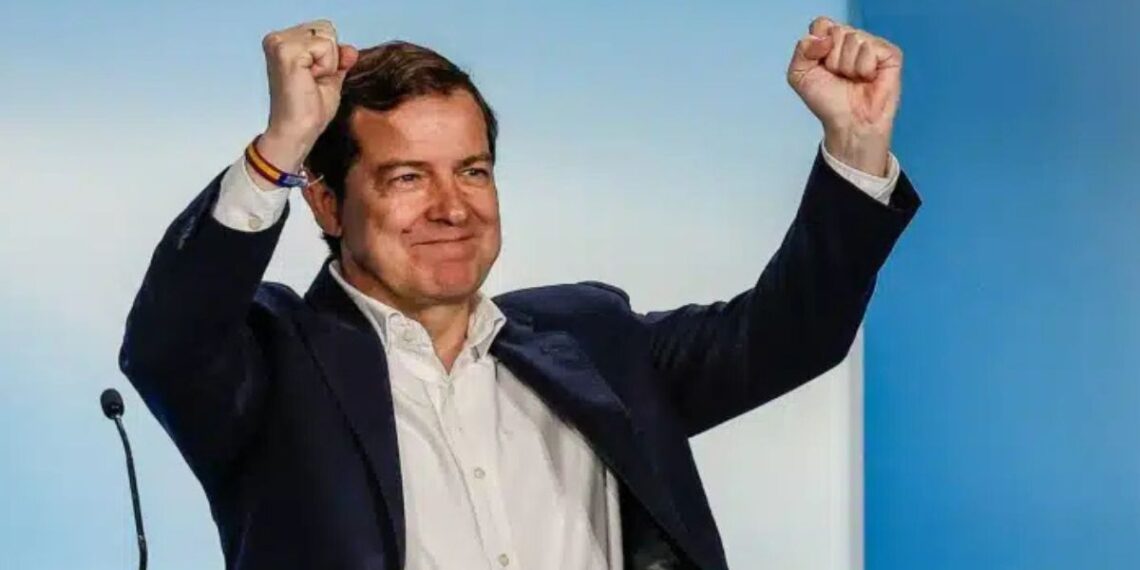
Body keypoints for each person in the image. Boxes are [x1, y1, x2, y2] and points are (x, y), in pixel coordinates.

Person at [119, 15, 918, 570]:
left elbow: (789, 335)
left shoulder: (591, 338)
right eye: (407, 178)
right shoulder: (272, 365)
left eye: (472, 171)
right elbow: (169, 343)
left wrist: (854, 145)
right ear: (327, 204)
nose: (452, 207)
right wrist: (280, 149)